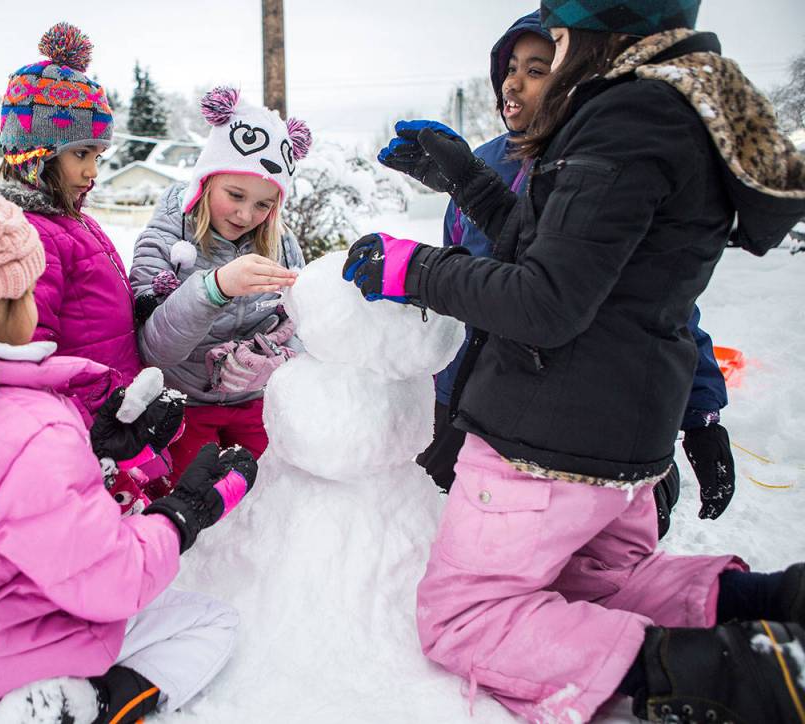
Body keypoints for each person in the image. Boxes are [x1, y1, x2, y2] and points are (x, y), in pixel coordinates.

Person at [344, 1, 805, 721]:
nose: (544, 65)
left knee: (465, 617)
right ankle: (768, 607)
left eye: (552, 43)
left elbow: (547, 299)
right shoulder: (667, 107)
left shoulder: (629, 119)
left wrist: (414, 269)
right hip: (619, 431)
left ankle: (729, 677)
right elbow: (566, 258)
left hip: (548, 433)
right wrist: (469, 178)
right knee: (597, 584)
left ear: (601, 31)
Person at [0, 170, 257, 724]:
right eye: (28, 288)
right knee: (213, 624)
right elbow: (115, 581)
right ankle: (76, 705)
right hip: (1, 657)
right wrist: (183, 513)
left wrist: (99, 447)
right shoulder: (29, 431)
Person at [417, 11, 733, 540]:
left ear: (578, 73)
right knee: (451, 541)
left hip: (578, 414)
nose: (512, 84)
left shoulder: (607, 163)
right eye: (510, 67)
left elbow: (661, 304)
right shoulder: (485, 163)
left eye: (538, 69)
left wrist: (701, 415)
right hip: (465, 395)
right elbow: (460, 267)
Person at [0, 23, 175, 511]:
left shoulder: (71, 221)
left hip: (117, 413)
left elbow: (91, 310)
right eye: (79, 154)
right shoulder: (31, 236)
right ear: (34, 153)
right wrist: (105, 417)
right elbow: (30, 358)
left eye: (97, 154)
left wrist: (141, 307)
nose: (93, 170)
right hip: (91, 434)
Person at [129, 87, 309, 481]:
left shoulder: (282, 244)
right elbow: (154, 349)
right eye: (235, 194)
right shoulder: (163, 240)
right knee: (196, 504)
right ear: (206, 180)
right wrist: (215, 288)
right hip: (182, 406)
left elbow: (302, 324)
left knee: (272, 498)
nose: (247, 214)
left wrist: (276, 360)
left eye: (264, 204)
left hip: (256, 404)